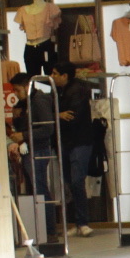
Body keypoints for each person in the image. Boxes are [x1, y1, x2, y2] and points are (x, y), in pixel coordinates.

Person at [48, 62, 97, 238]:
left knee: (76, 181)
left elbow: (72, 116)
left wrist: (57, 115)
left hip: (79, 141)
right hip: (67, 141)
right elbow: (61, 114)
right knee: (69, 183)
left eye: (55, 73)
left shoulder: (77, 91)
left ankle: (82, 222)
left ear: (65, 76)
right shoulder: (58, 91)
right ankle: (77, 222)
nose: (52, 76)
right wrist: (58, 115)